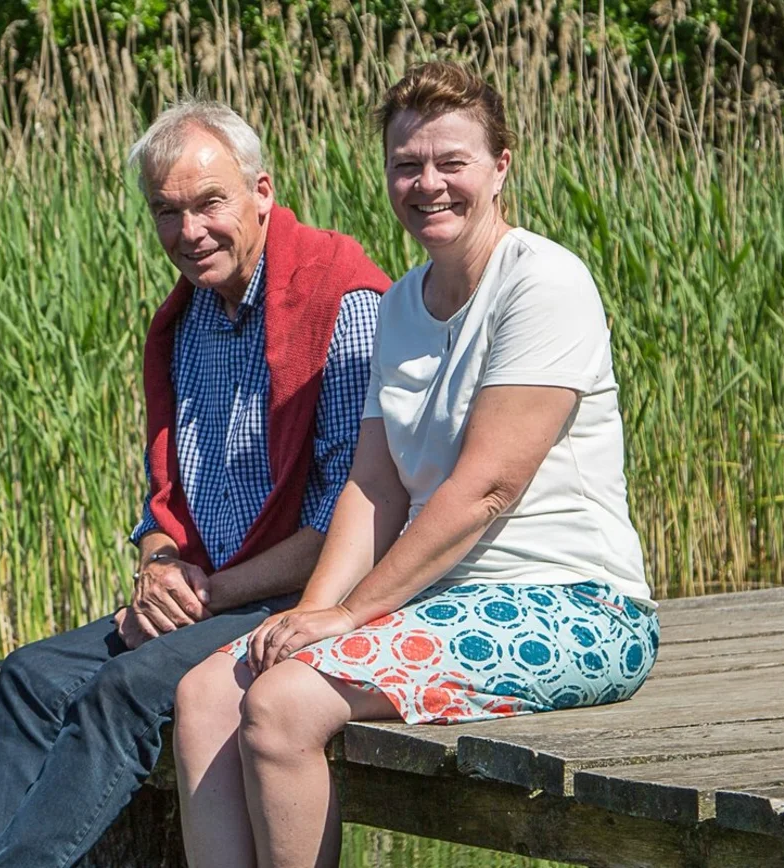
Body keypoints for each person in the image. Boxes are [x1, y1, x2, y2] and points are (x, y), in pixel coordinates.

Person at [171, 62, 660, 868]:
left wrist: (350, 615)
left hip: (575, 607)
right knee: (207, 693)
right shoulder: (399, 305)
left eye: (451, 162)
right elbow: (377, 482)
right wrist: (309, 613)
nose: (428, 183)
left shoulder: (544, 283)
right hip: (446, 606)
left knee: (286, 705)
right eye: (407, 165)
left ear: (500, 165)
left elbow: (486, 490)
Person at [0, 101, 392, 868]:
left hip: (301, 600)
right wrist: (159, 564)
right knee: (32, 676)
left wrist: (205, 597)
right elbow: (162, 493)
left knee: (127, 688)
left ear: (262, 192)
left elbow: (346, 525)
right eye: (167, 211)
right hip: (203, 593)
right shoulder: (186, 318)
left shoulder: (343, 304)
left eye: (209, 203)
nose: (189, 231)